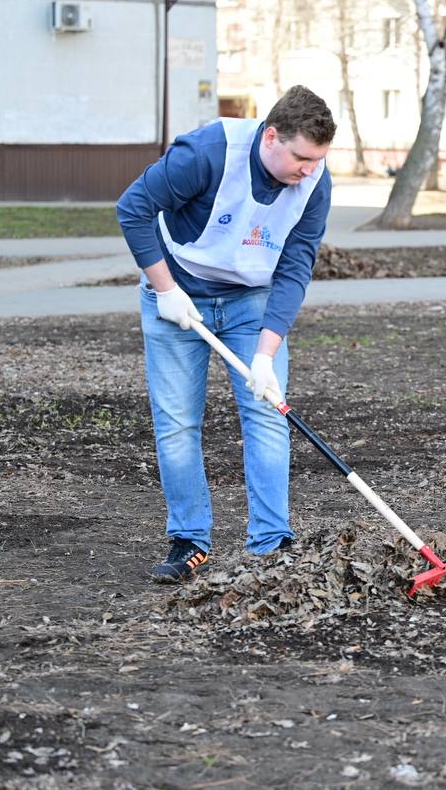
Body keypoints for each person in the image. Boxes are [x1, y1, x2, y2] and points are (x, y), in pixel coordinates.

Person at [117, 85, 335, 582]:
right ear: (271, 137)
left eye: (318, 160)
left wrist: (266, 354)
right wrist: (166, 290)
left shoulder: (314, 182)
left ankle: (270, 544)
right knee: (177, 424)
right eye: (302, 158)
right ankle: (190, 541)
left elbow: (296, 266)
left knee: (267, 413)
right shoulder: (207, 153)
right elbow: (133, 208)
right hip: (177, 295)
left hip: (251, 300)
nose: (309, 170)